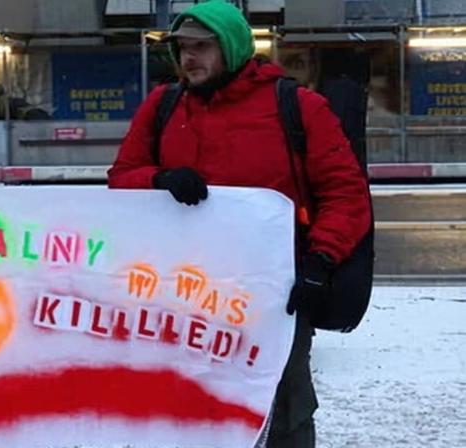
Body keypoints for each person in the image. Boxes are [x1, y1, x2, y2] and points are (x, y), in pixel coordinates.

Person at [107, 1, 371, 447]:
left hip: (274, 295)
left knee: (283, 409)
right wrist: (159, 179)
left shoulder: (297, 106)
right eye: (182, 48)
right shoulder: (163, 106)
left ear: (230, 48)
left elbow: (345, 193)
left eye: (202, 47)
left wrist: (319, 262)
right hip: (183, 292)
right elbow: (121, 179)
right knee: (190, 406)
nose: (189, 58)